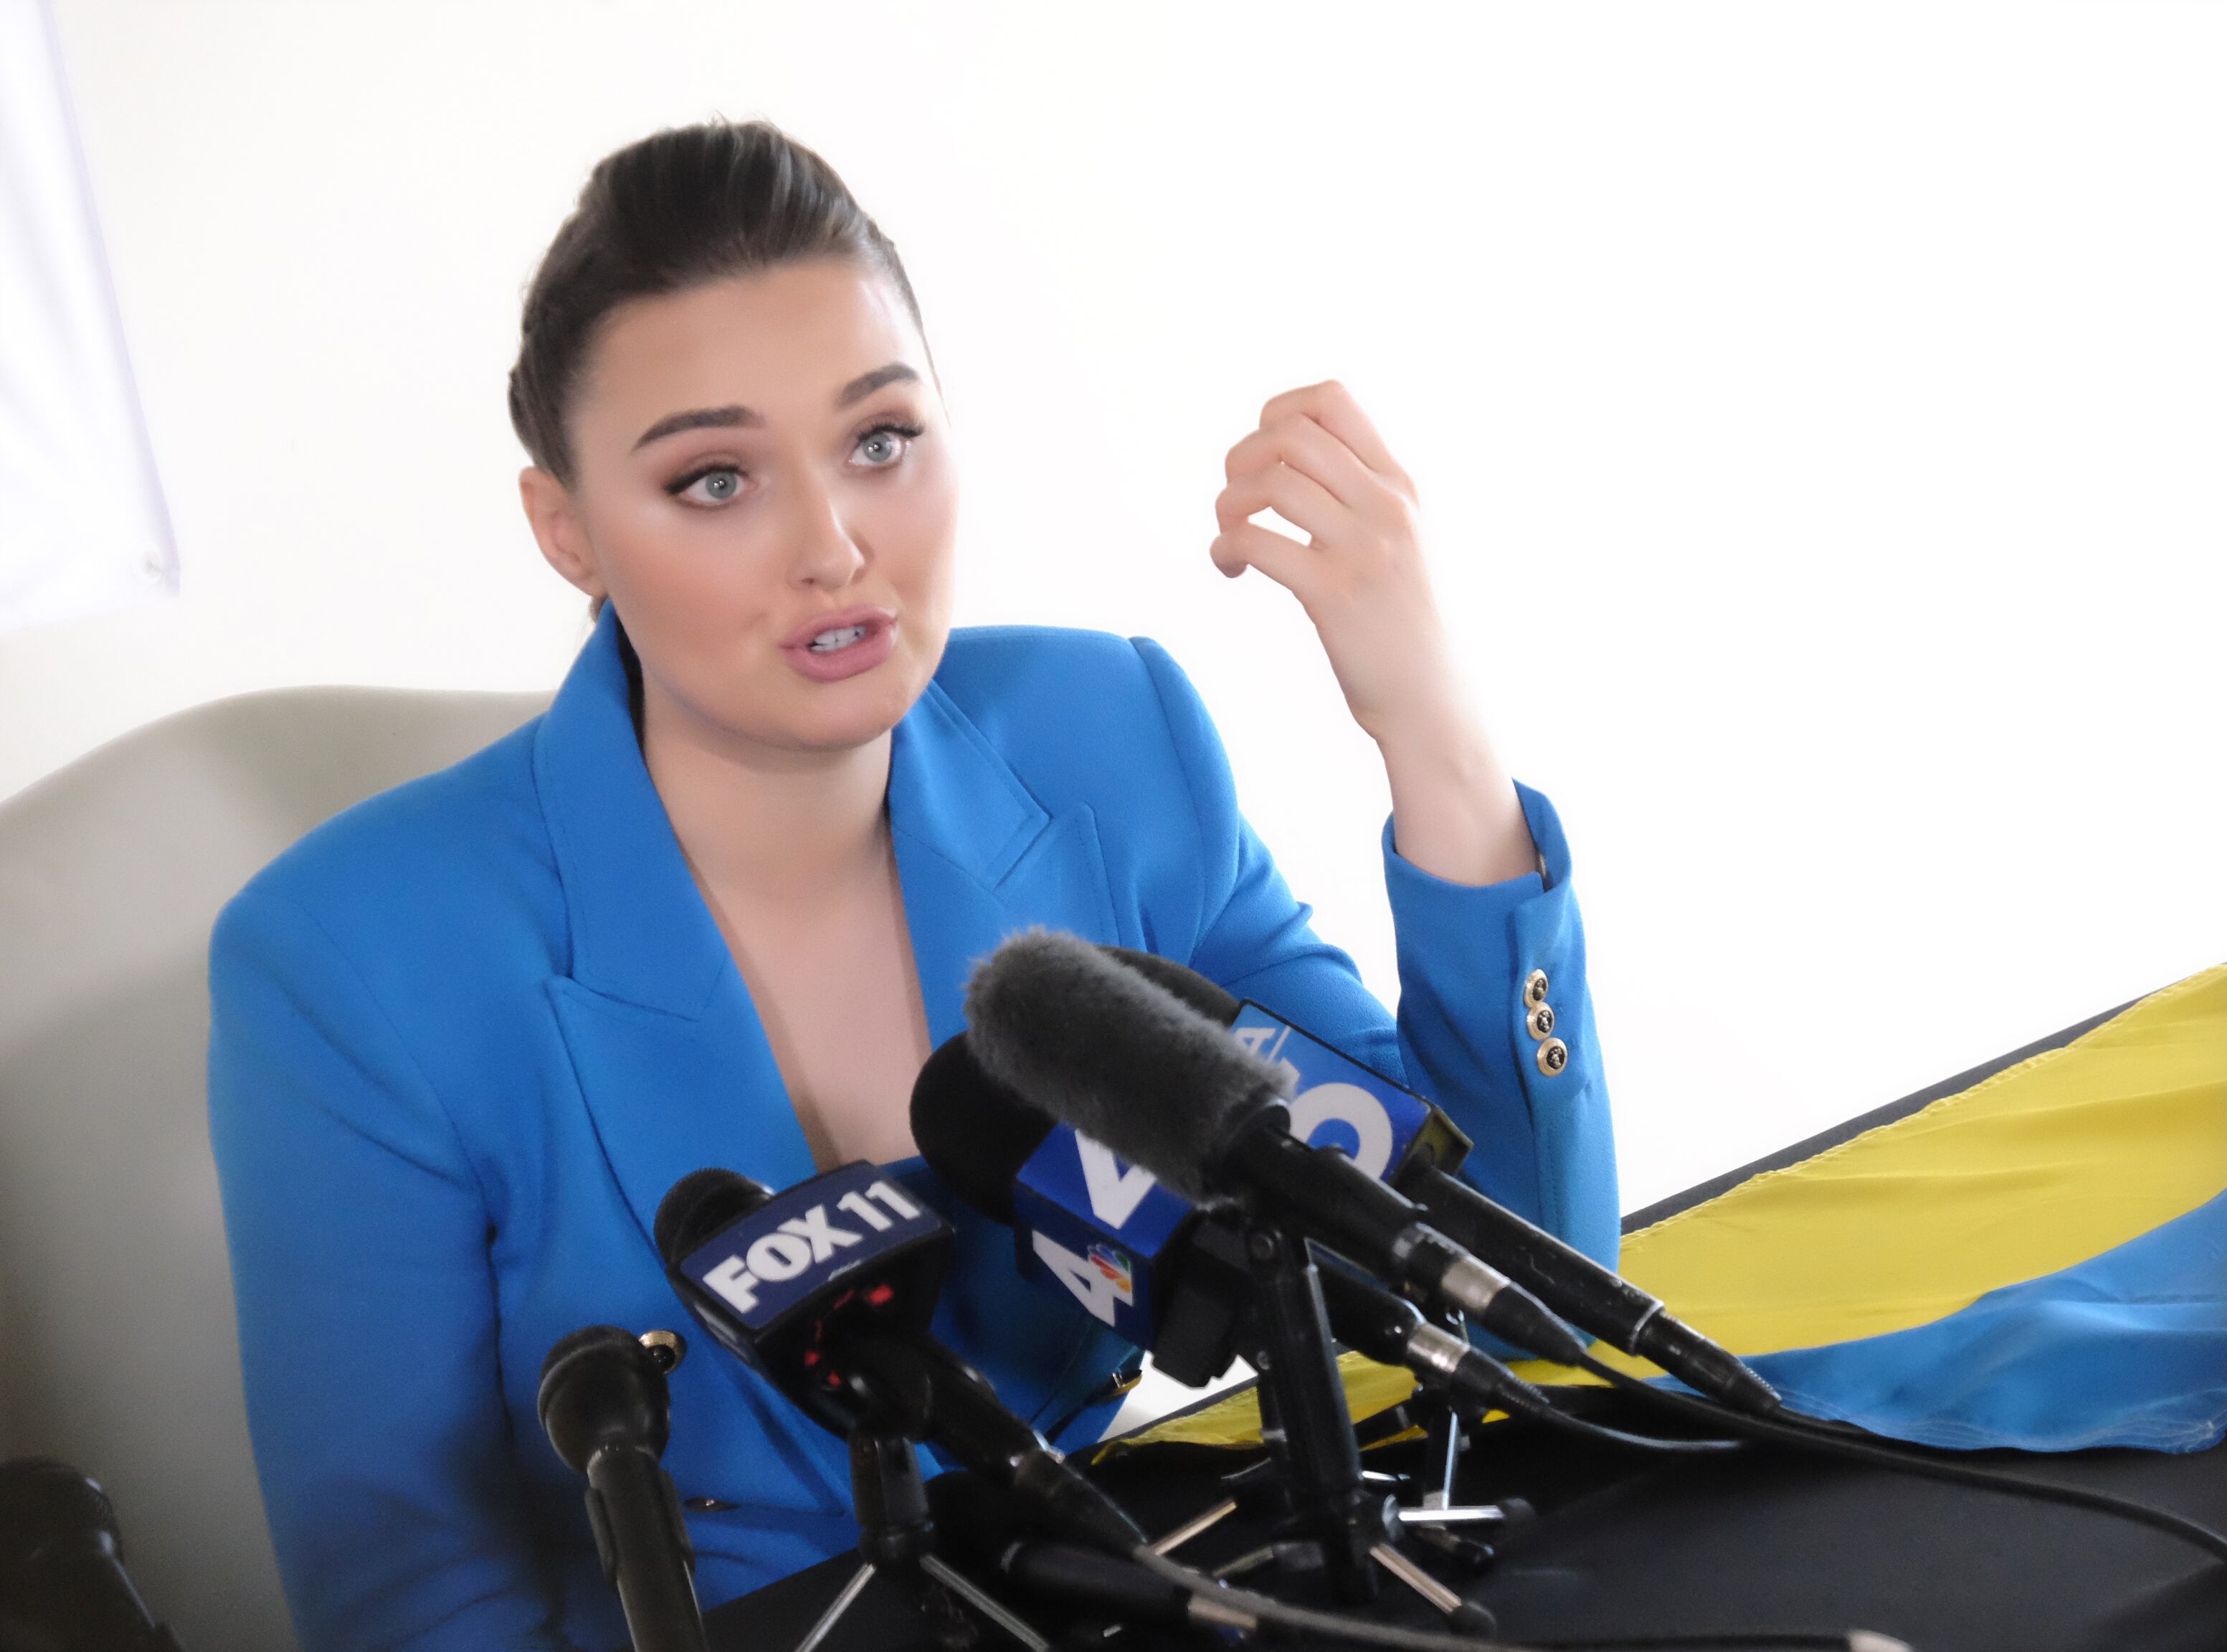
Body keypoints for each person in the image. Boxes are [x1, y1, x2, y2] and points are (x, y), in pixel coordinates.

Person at [207, 120, 1618, 1651]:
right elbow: (412, 1598)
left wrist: (1435, 736)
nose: (835, 547)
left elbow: (1529, 1287)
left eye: (880, 441)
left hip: (1158, 1592)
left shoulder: (1110, 748)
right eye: (714, 479)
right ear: (569, 531)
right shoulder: (348, 962)